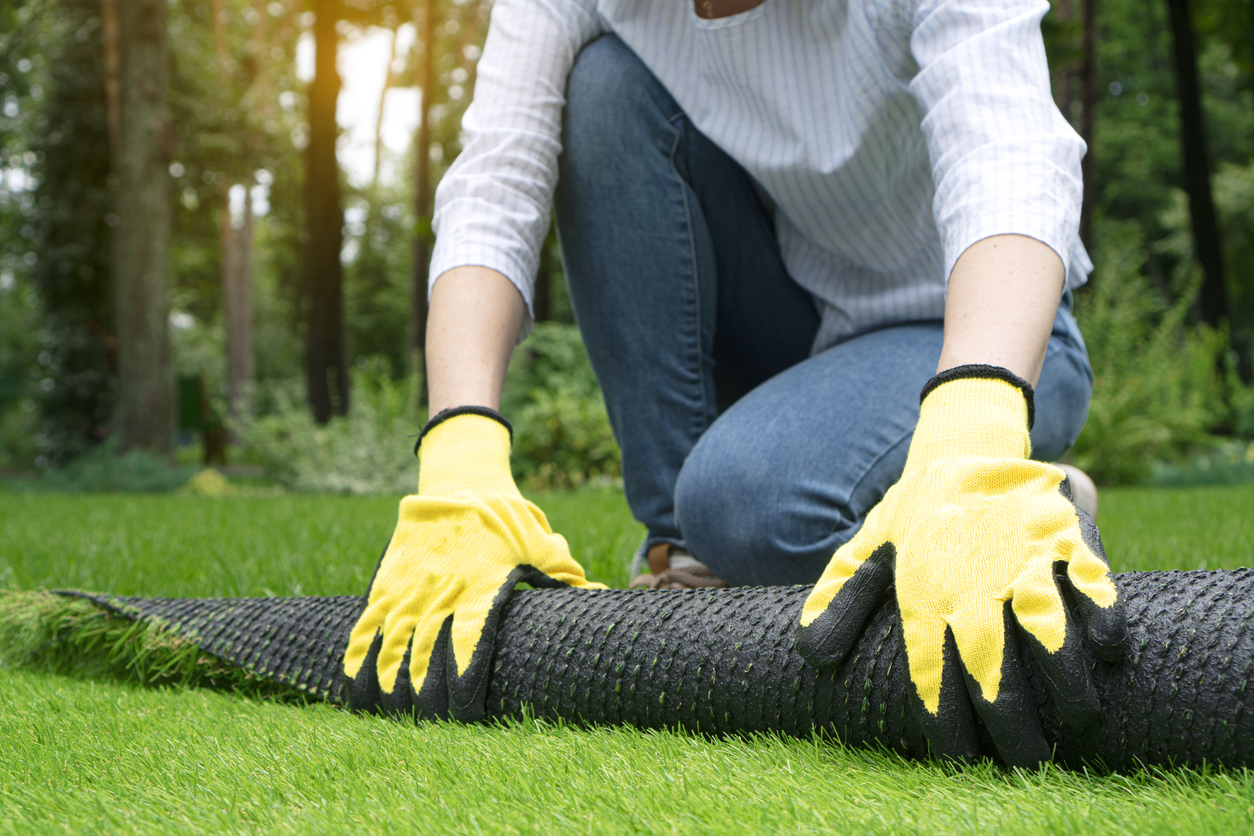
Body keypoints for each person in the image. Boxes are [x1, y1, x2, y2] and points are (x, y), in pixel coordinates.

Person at [342, 0, 1126, 767]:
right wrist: (461, 450)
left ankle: (979, 477)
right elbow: (496, 183)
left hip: (982, 335)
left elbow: (1007, 151)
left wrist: (976, 420)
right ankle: (685, 555)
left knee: (742, 505)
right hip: (805, 320)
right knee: (606, 87)